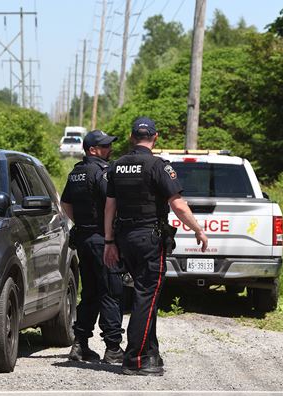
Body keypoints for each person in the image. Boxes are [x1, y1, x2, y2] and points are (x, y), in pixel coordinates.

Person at [103, 117, 208, 376]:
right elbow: (179, 205)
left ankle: (150, 354)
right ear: (155, 137)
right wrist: (198, 229)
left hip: (124, 237)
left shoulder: (116, 166)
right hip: (149, 238)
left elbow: (109, 208)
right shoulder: (158, 166)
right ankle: (136, 359)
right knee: (146, 297)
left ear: (131, 137)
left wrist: (109, 241)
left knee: (141, 295)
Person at [60, 129, 125, 364]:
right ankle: (113, 348)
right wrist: (110, 235)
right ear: (92, 150)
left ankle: (80, 345)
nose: (110, 149)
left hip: (84, 238)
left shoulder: (75, 173)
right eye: (105, 146)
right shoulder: (102, 173)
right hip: (102, 238)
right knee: (110, 291)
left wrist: (80, 222)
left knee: (90, 293)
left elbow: (65, 203)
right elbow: (112, 204)